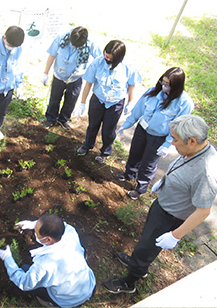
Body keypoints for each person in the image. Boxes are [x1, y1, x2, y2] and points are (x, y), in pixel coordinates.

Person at [103, 115, 217, 294]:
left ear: (192, 141)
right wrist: (164, 182)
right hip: (162, 206)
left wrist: (175, 235)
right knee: (146, 243)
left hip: (169, 218)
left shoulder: (206, 173)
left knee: (146, 248)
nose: (172, 143)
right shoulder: (194, 151)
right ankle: (137, 264)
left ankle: (129, 282)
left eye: (176, 140)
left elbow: (203, 211)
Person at [116, 67, 194, 200]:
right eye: (163, 82)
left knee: (148, 163)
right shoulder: (153, 91)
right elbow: (138, 109)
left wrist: (167, 144)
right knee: (135, 153)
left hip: (158, 137)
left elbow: (178, 126)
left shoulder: (184, 103)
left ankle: (140, 188)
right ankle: (129, 174)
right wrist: (126, 124)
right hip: (143, 129)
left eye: (168, 85)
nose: (164, 86)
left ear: (176, 86)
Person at [0, 213, 96, 307]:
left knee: (24, 268)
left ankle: (50, 303)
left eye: (36, 232)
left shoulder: (45, 264)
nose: (34, 232)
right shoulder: (70, 232)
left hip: (67, 301)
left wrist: (6, 257)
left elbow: (24, 283)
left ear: (48, 239)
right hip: (89, 287)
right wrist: (32, 224)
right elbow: (63, 225)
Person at [74, 40, 142, 163]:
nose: (107, 59)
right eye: (106, 55)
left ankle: (105, 152)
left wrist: (130, 102)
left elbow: (131, 85)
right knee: (93, 125)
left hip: (115, 103)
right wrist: (82, 102)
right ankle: (87, 145)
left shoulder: (129, 67)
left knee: (108, 130)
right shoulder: (97, 63)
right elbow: (88, 83)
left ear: (118, 58)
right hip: (98, 99)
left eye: (110, 58)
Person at [42, 26, 102, 130]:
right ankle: (50, 119)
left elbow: (99, 60)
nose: (74, 46)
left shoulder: (90, 44)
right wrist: (46, 72)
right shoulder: (61, 38)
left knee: (71, 100)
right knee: (54, 98)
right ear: (70, 36)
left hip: (75, 78)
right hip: (59, 75)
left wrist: (90, 71)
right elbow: (52, 55)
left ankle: (63, 120)